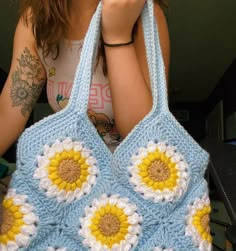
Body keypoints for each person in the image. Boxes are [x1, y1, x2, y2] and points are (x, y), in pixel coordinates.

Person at [0, 0, 170, 157]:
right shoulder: (37, 20)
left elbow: (145, 138)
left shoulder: (145, 14)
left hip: (135, 178)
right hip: (70, 174)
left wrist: (118, 37)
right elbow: (8, 116)